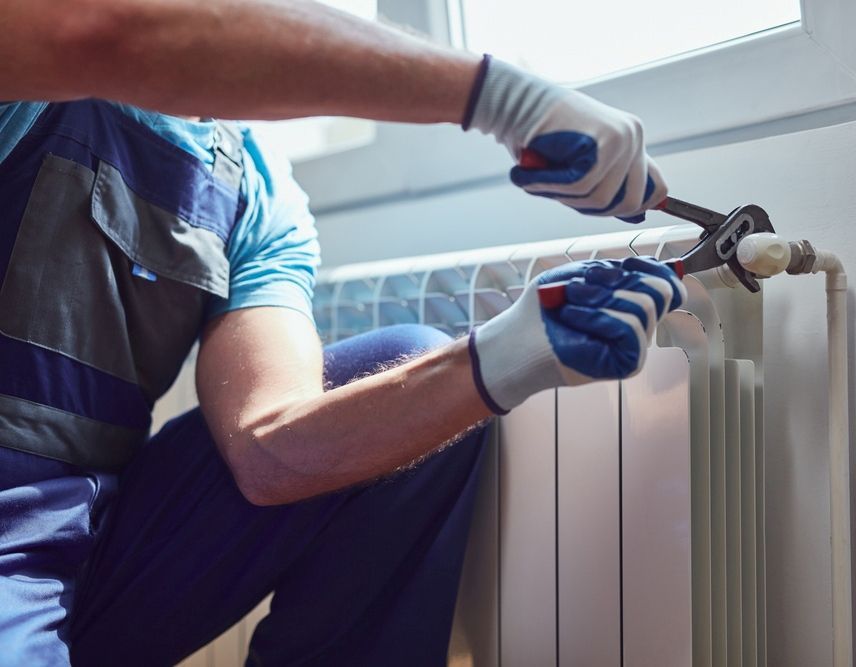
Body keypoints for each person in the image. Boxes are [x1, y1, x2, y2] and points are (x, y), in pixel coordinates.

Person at [0, 1, 686, 664]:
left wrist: (505, 357)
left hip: (89, 555)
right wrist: (505, 97)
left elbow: (271, 449)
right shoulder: (36, 60)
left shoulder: (257, 194)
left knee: (413, 361)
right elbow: (107, 32)